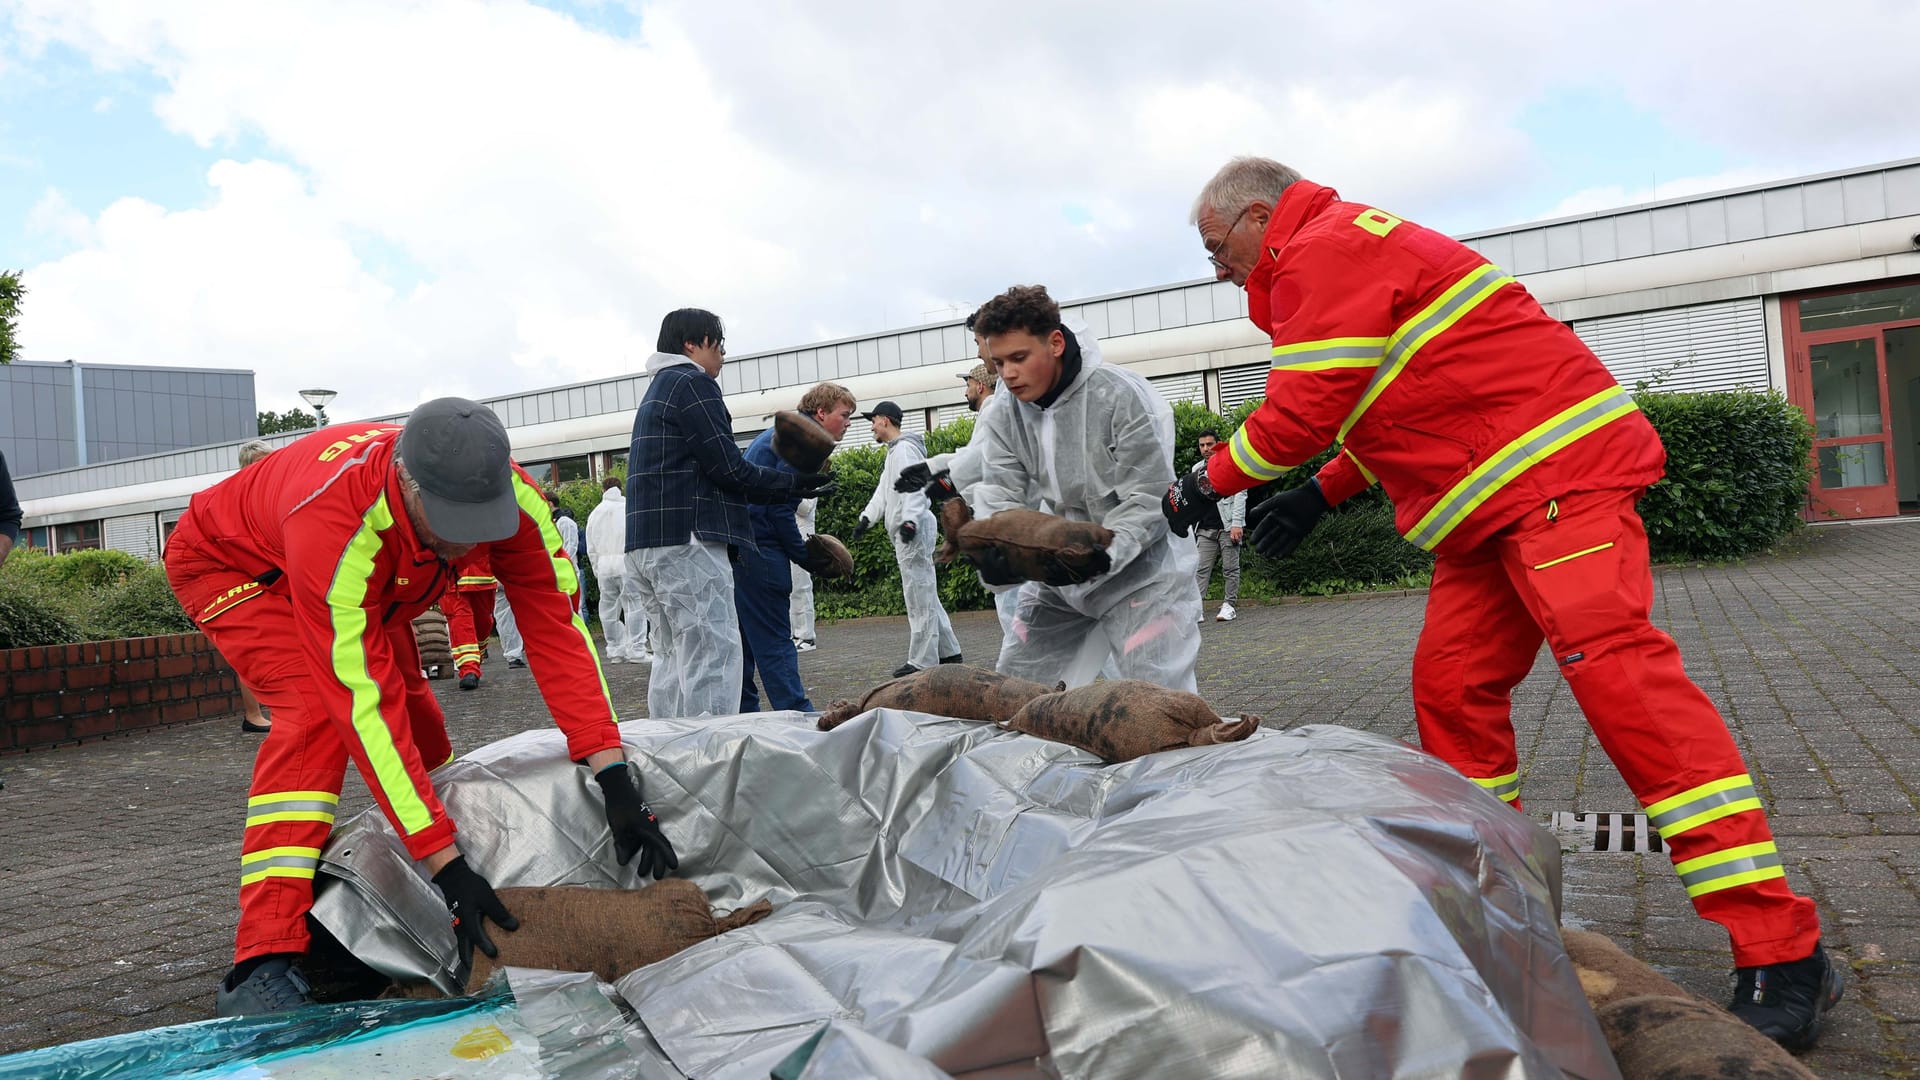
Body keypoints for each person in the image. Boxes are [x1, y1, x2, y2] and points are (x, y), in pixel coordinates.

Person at [1167, 155, 1839, 1049]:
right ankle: (1499, 907)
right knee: (1451, 689)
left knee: (1626, 693)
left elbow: (1307, 405)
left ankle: (1782, 946)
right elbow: (1404, 398)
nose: (1219, 272)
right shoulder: (1346, 253)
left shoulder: (1323, 251)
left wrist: (1209, 480)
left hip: (1556, 486)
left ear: (1257, 216)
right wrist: (1322, 493)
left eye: (1218, 249)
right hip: (1494, 505)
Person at [164, 398, 677, 1017]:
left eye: (479, 524)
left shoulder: (515, 500)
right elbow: (362, 709)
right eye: (450, 524)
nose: (465, 546)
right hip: (237, 567)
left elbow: (557, 632)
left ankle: (439, 857)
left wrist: (614, 776)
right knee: (318, 717)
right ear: (407, 481)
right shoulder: (337, 522)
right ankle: (261, 958)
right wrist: (447, 870)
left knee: (421, 719)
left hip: (371, 585)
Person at [965, 285, 1199, 691]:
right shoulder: (1006, 411)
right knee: (1018, 689)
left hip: (1143, 575)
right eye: (999, 362)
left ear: (1055, 343)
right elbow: (1003, 493)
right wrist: (1002, 549)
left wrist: (1102, 555)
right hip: (1058, 575)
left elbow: (1147, 496)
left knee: (1158, 701)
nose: (1008, 375)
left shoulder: (1121, 395)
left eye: (1019, 358)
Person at [625, 308, 833, 719]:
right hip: (688, 541)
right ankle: (711, 758)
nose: (723, 354)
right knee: (713, 655)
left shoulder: (657, 389)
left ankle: (667, 754)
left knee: (671, 659)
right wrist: (792, 483)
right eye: (718, 344)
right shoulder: (692, 383)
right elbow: (728, 468)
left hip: (645, 543)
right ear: (692, 343)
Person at [896, 316, 1023, 640]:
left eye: (967, 384)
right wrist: (931, 469)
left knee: (1018, 616)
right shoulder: (996, 407)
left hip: (1010, 521)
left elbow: (984, 458)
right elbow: (972, 455)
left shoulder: (999, 406)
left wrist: (941, 482)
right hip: (1004, 521)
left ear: (979, 385)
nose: (980, 353)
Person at [737, 382, 856, 711]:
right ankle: (799, 717)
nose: (848, 422)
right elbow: (777, 509)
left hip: (745, 548)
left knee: (744, 645)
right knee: (775, 640)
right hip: (761, 550)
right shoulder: (805, 439)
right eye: (844, 415)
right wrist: (805, 556)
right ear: (821, 412)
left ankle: (745, 718)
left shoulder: (785, 431)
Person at [855, 400, 961, 678]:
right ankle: (950, 651)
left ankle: (923, 660)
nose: (871, 426)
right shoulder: (895, 452)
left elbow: (915, 489)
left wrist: (911, 521)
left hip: (911, 530)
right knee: (924, 591)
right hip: (908, 528)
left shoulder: (904, 450)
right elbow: (884, 489)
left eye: (874, 420)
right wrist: (867, 517)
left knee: (918, 595)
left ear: (886, 420)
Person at [235, 441, 278, 732]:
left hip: (268, 576)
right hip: (250, 578)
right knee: (250, 652)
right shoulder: (241, 495)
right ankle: (253, 714)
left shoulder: (267, 492)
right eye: (262, 462)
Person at [586, 475, 649, 663]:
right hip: (626, 562)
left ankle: (615, 650)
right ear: (621, 489)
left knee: (608, 609)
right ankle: (637, 650)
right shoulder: (628, 509)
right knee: (635, 606)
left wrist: (597, 569)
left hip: (604, 566)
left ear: (603, 491)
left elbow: (591, 546)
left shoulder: (595, 513)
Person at [1190, 430, 1247, 623]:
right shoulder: (1196, 469)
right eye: (1202, 445)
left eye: (1209, 444)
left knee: (1230, 568)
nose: (1206, 448)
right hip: (1205, 528)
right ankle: (1196, 608)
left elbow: (1240, 493)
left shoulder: (1229, 463)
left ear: (1217, 444)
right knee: (1200, 569)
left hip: (1227, 525)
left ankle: (1229, 605)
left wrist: (1237, 524)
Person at [439, 549, 497, 690]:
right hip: (451, 577)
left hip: (483, 574)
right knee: (461, 623)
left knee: (483, 624)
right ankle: (469, 670)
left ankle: (476, 656)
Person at [789, 496, 818, 652]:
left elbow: (805, 508)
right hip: (789, 535)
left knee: (801, 585)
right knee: (790, 587)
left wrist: (787, 490)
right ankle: (794, 633)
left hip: (802, 535)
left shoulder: (810, 478)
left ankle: (806, 635)